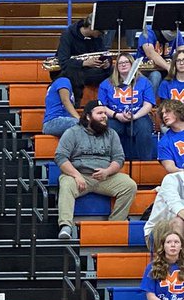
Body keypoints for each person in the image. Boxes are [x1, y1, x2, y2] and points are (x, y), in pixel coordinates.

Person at [55, 102, 138, 240]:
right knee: (66, 183)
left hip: (105, 177)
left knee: (129, 185)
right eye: (100, 113)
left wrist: (108, 171)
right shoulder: (72, 132)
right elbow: (60, 157)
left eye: (105, 113)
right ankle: (66, 226)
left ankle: (115, 225)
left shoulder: (111, 134)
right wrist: (76, 175)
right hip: (80, 176)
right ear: (88, 117)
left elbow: (119, 158)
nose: (104, 116)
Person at [98, 52, 156, 162]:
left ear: (132, 64)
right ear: (116, 67)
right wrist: (117, 115)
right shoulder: (106, 84)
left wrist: (135, 116)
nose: (123, 65)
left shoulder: (144, 82)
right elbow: (102, 106)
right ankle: (109, 163)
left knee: (144, 128)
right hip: (114, 116)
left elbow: (148, 104)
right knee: (108, 127)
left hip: (138, 116)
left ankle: (145, 163)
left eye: (126, 62)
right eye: (120, 63)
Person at [55, 16, 112, 106]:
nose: (102, 34)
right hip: (74, 71)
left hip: (92, 71)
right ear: (91, 27)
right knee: (73, 74)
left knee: (113, 71)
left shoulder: (97, 37)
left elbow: (104, 53)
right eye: (100, 32)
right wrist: (84, 63)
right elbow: (63, 62)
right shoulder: (68, 35)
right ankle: (76, 105)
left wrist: (106, 63)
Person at [157, 100, 184, 174]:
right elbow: (170, 167)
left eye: (167, 111)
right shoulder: (164, 142)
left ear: (179, 111)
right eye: (162, 114)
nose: (164, 116)